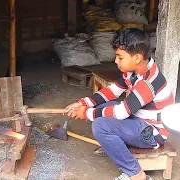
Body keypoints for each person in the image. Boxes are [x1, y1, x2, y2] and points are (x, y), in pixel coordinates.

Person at [65, 28, 174, 180]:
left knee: (101, 125)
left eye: (120, 57)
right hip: (140, 122)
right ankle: (113, 144)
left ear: (136, 58)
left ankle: (136, 174)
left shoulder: (148, 82)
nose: (116, 61)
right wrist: (83, 103)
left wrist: (85, 113)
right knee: (101, 108)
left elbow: (122, 112)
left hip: (152, 134)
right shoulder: (135, 71)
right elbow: (112, 91)